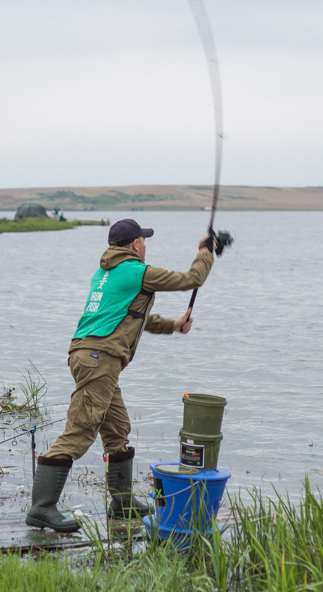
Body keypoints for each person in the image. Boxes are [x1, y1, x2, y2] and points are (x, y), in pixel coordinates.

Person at [27, 218, 214, 531]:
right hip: (99, 358)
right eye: (144, 241)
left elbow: (135, 315)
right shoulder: (136, 270)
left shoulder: (105, 273)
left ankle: (122, 503)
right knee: (81, 429)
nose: (145, 246)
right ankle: (41, 508)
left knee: (117, 428)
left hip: (90, 356)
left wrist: (172, 325)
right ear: (136, 244)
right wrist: (205, 253)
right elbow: (191, 279)